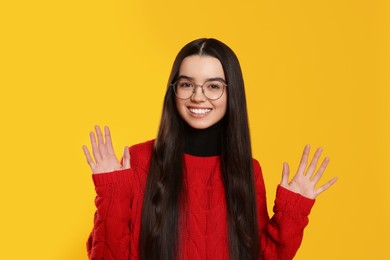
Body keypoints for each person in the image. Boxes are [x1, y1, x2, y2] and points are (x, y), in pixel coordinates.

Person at [82, 38, 337, 260]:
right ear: (174, 91)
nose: (198, 96)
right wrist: (111, 194)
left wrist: (292, 213)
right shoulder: (138, 161)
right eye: (186, 84)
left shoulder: (248, 169)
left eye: (213, 86)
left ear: (231, 93)